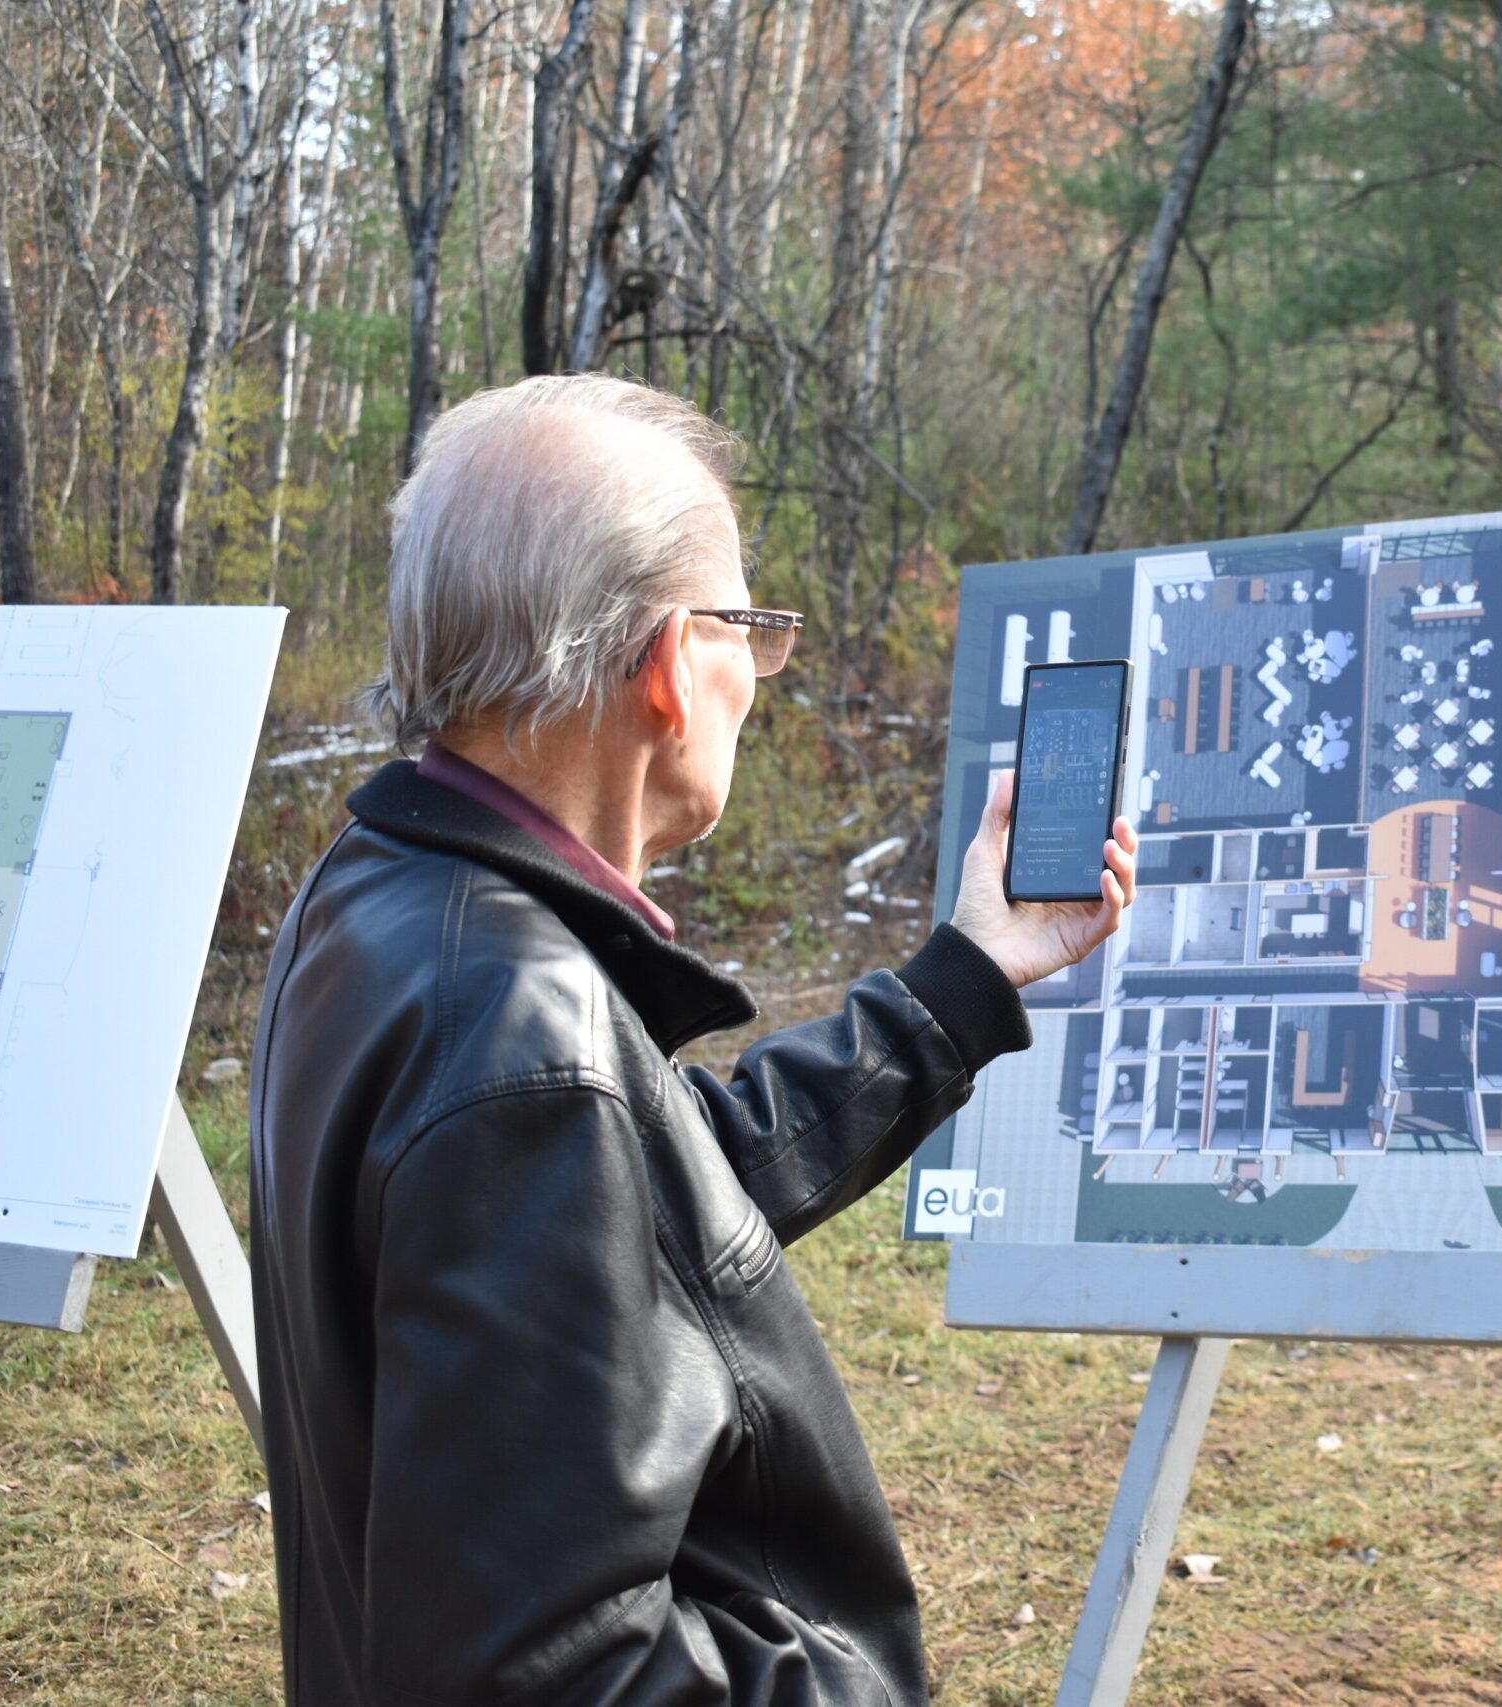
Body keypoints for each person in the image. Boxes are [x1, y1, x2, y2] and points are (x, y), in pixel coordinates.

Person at [246, 373, 1137, 1704]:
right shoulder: (522, 1045)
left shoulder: (381, 892)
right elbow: (557, 1678)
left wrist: (964, 982)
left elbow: (648, 1193)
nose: (758, 678)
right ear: (671, 662)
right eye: (749, 629)